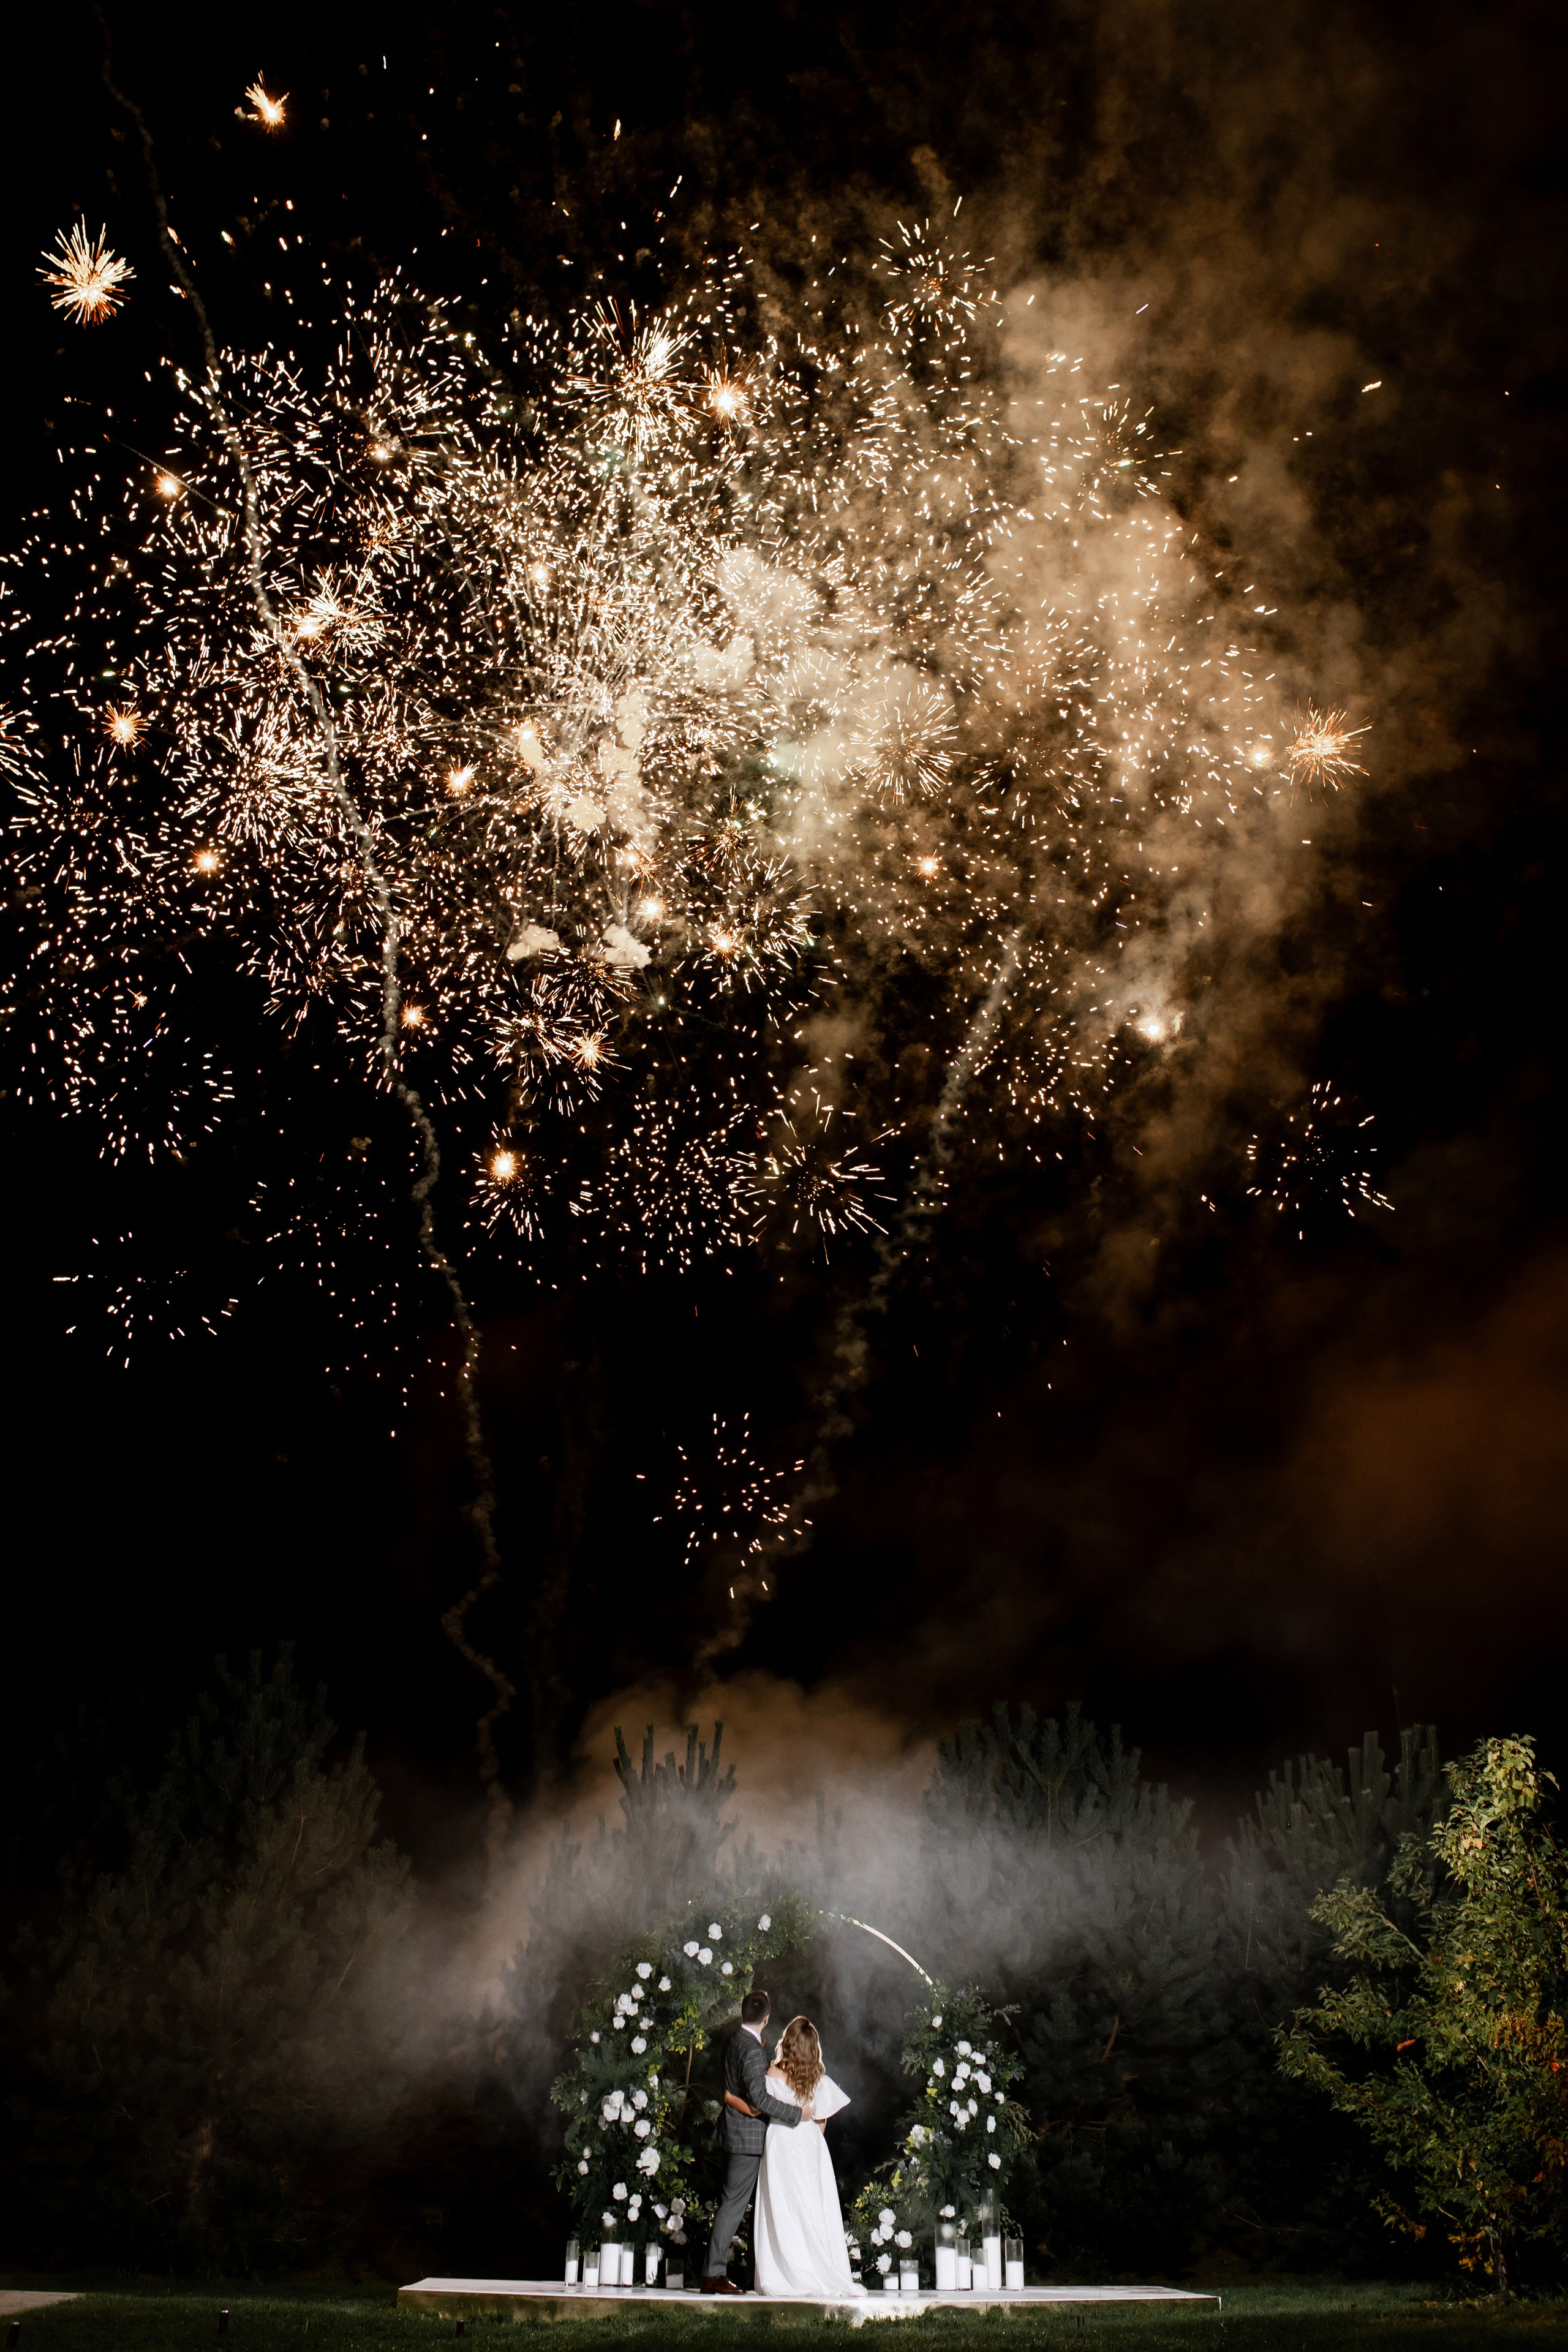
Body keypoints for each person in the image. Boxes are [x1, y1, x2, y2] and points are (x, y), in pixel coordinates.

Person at [731, 2015, 864, 2298]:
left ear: (787, 2043)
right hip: (810, 2144)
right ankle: (818, 2269)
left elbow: (762, 2106)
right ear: (813, 2047)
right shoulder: (818, 2077)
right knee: (813, 2205)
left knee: (783, 2207)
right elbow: (821, 2122)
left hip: (781, 2141)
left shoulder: (773, 2074)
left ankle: (787, 2271)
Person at [700, 1989, 813, 2293]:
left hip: (735, 2131)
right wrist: (796, 2114)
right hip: (746, 2138)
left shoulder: (735, 2039)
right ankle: (713, 2274)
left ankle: (746, 2274)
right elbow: (760, 2098)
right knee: (734, 2204)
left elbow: (733, 2088)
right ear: (766, 2018)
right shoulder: (751, 2049)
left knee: (741, 2203)